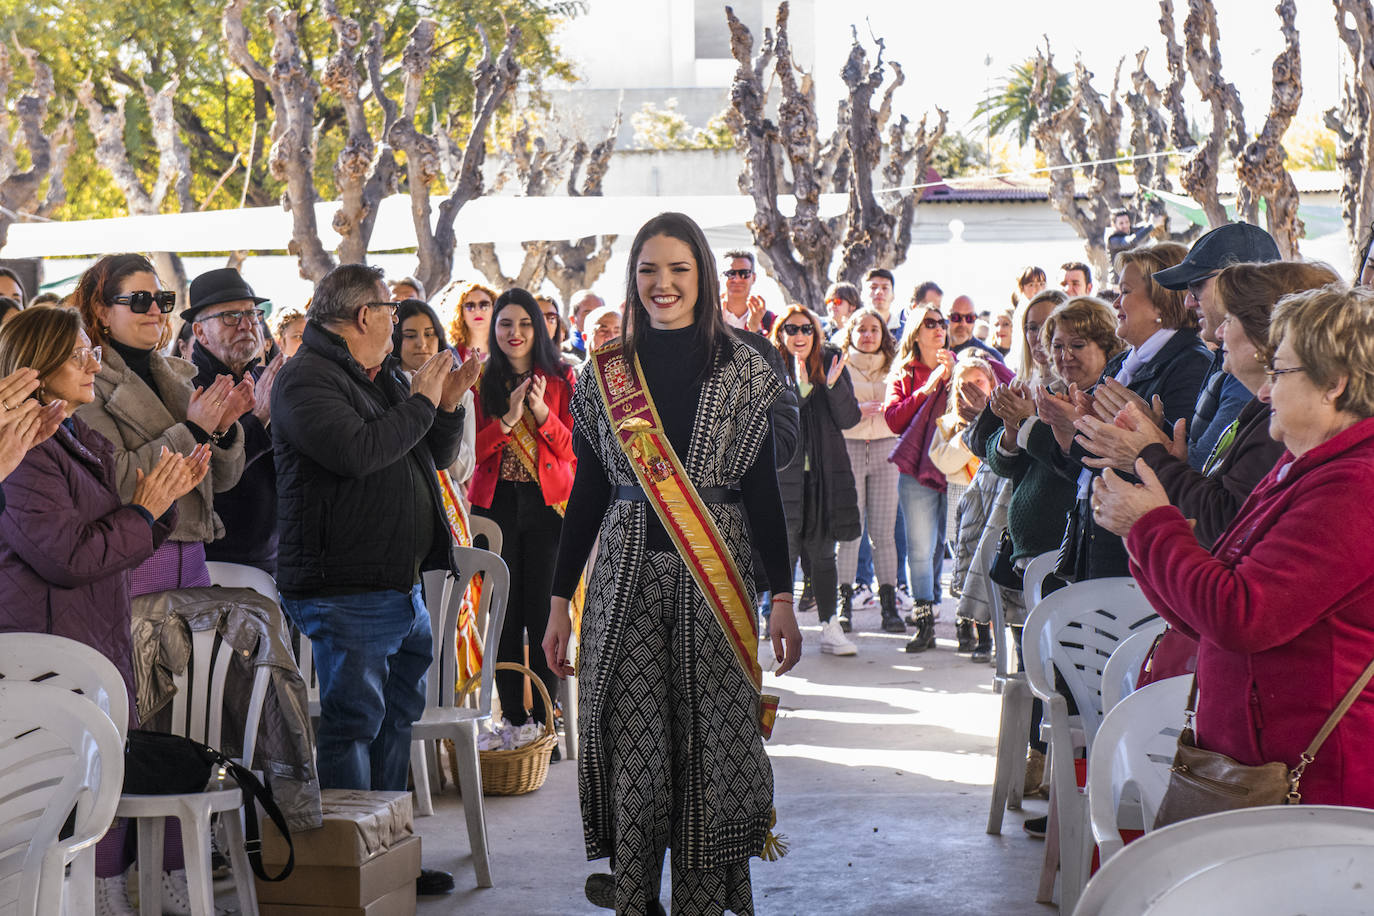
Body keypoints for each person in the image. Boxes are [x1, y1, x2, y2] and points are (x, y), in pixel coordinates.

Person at [544, 212, 800, 916]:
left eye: (678, 270)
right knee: (639, 762)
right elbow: (589, 492)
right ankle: (633, 898)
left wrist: (782, 596)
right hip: (624, 584)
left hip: (716, 577)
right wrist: (560, 601)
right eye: (649, 270)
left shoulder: (748, 368)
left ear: (704, 277)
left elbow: (761, 492)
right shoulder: (604, 375)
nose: (663, 284)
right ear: (633, 278)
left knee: (711, 756)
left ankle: (701, 903)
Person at [1094, 282, 1374, 808]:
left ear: (1333, 383)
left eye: (1280, 372)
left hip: (1309, 791)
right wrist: (1142, 533)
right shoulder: (1303, 466)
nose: (1264, 392)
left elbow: (1241, 616)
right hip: (1252, 768)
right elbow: (1206, 604)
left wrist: (1150, 526)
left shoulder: (1355, 488)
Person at [0, 306, 210, 915]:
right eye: (78, 354)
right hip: (45, 648)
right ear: (36, 370)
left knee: (77, 813)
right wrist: (144, 511)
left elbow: (112, 519)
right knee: (42, 825)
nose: (94, 361)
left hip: (85, 635)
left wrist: (157, 503)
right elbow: (68, 554)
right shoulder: (28, 453)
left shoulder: (63, 431)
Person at [272, 264, 472, 790]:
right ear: (365, 315)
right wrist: (425, 400)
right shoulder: (307, 377)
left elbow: (434, 456)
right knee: (354, 725)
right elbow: (358, 453)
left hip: (397, 582)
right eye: (392, 310)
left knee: (395, 718)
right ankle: (356, 861)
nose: (396, 321)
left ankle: (393, 853)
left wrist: (445, 407)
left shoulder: (377, 374)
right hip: (345, 586)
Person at [1027, 244, 1211, 581]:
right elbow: (1088, 465)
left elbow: (1174, 467)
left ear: (1161, 301)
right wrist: (1070, 430)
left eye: (1125, 292)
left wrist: (1097, 430)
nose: (1115, 303)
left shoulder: (1189, 365)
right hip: (1098, 537)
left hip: (1139, 551)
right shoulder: (1123, 364)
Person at [72, 254, 247, 597]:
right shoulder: (85, 384)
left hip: (195, 560)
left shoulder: (177, 379)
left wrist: (221, 429)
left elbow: (221, 483)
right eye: (139, 301)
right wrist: (195, 431)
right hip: (136, 562)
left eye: (162, 300)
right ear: (102, 311)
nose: (155, 310)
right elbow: (118, 481)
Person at [468, 288, 576, 734]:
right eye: (506, 324)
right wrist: (508, 420)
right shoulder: (478, 380)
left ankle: (547, 719)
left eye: (525, 323)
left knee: (544, 611)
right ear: (494, 329)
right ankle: (513, 717)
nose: (515, 333)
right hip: (496, 508)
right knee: (504, 615)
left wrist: (541, 414)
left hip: (549, 508)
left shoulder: (563, 379)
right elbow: (470, 452)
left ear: (542, 327)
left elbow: (574, 451)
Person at [1152, 222, 1282, 470]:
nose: (1188, 301)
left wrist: (1145, 446)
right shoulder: (1230, 357)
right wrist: (1154, 428)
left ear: (1239, 282)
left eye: (1197, 285)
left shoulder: (1250, 369)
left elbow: (1204, 472)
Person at [772, 304, 861, 656]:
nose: (799, 336)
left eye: (806, 329)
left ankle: (830, 626)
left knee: (824, 554)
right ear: (780, 333)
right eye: (791, 329)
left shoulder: (831, 362)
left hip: (825, 478)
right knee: (785, 553)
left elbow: (849, 418)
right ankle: (776, 624)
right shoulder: (770, 366)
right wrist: (799, 388)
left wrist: (834, 385)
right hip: (783, 478)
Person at [185, 268, 283, 575]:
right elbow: (207, 477)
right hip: (213, 561)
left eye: (252, 314)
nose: (246, 325)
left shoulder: (263, 379)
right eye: (230, 316)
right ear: (199, 332)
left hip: (274, 556)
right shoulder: (187, 387)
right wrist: (258, 419)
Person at [884, 305, 955, 651]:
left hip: (958, 468)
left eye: (942, 322)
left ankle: (970, 624)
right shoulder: (904, 373)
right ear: (915, 331)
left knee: (957, 546)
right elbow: (894, 421)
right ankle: (924, 623)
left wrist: (954, 377)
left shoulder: (961, 363)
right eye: (930, 323)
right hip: (915, 471)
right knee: (920, 549)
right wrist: (927, 388)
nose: (939, 328)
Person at [835, 308, 905, 633]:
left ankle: (889, 606)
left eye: (874, 329)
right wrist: (855, 409)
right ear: (851, 332)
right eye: (861, 328)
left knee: (883, 533)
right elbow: (830, 403)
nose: (867, 334)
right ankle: (843, 603)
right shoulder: (838, 363)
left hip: (884, 450)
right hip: (848, 449)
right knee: (850, 532)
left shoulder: (895, 365)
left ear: (882, 334)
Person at [391, 299, 478, 490]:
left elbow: (464, 470)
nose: (421, 343)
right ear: (397, 340)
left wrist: (447, 407)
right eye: (410, 335)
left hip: (448, 502)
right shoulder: (386, 386)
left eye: (429, 334)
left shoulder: (461, 392)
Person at [438, 279, 497, 362]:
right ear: (460, 312)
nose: (477, 311)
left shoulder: (508, 351)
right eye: (470, 306)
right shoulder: (448, 354)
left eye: (484, 305)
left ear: (494, 309)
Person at [720, 248, 775, 334]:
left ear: (754, 278)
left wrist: (756, 329)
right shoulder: (704, 316)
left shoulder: (770, 320)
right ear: (721, 277)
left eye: (744, 273)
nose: (737, 279)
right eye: (730, 273)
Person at [947, 294, 1008, 366]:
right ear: (948, 318)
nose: (963, 324)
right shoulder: (934, 348)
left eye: (969, 318)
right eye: (956, 317)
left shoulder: (991, 356)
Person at [1104, 209, 1160, 280]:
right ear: (1113, 225)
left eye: (1127, 222)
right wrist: (1152, 225)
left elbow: (1140, 228)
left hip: (1129, 278)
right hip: (1117, 282)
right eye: (1121, 223)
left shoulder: (1128, 231)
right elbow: (1131, 241)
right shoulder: (1113, 239)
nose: (1125, 225)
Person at [568, 289, 606, 354]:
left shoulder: (615, 352)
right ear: (573, 319)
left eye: (599, 312)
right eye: (588, 313)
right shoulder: (559, 355)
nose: (595, 318)